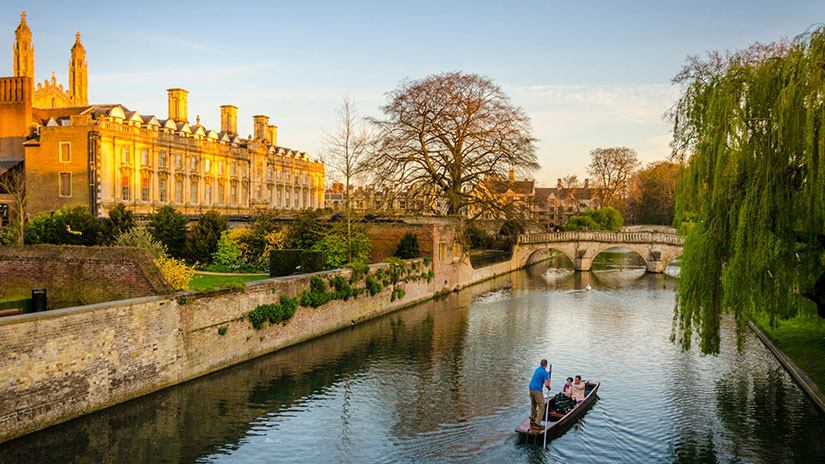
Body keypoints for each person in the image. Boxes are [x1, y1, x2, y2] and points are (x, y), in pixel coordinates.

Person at [528, 359, 551, 428]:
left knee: (533, 404)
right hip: (537, 390)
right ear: (546, 365)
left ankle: (532, 418)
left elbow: (541, 375)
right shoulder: (545, 373)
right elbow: (546, 384)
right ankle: (537, 423)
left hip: (531, 388)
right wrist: (549, 388)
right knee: (542, 406)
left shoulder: (538, 369)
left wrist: (548, 374)